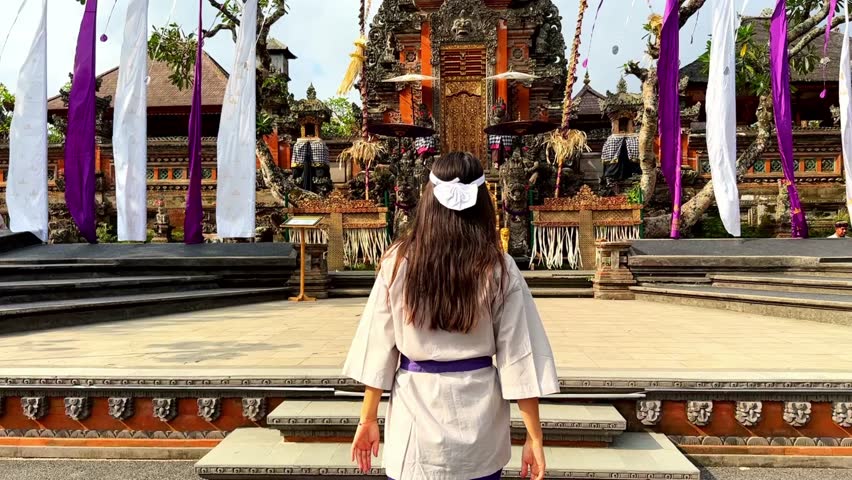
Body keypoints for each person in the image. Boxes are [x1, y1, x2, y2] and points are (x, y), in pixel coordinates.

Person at [343, 151, 559, 480]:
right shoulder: (499, 267)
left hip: (415, 420)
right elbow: (520, 357)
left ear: (428, 199)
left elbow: (378, 348)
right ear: (483, 202)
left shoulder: (397, 262)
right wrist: (535, 437)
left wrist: (367, 419)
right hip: (480, 425)